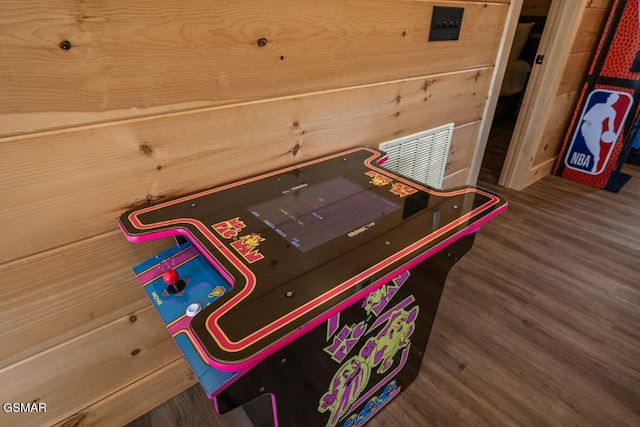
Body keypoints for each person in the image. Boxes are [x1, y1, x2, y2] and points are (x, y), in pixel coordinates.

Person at [580, 92, 619, 173]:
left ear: (615, 102)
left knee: (595, 145)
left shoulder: (612, 111)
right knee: (586, 143)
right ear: (608, 98)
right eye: (610, 97)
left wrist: (611, 133)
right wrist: (589, 121)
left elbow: (610, 124)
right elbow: (586, 116)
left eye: (614, 99)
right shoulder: (598, 105)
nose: (611, 100)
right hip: (586, 125)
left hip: (597, 127)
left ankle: (595, 162)